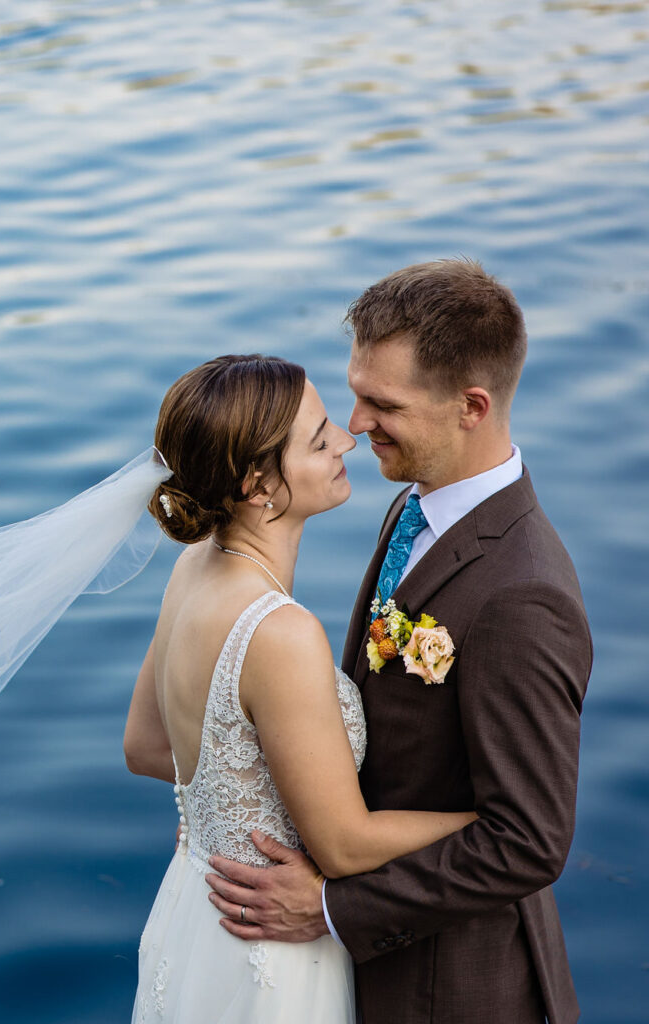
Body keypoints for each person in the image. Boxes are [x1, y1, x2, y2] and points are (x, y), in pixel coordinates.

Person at [203, 260, 592, 1023]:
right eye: (355, 392)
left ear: (470, 407)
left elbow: (528, 843)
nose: (353, 423)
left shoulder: (523, 597)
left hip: (450, 987)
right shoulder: (416, 504)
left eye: (382, 403)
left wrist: (337, 907)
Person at [122, 353, 478, 1023]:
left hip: (197, 910)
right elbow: (343, 844)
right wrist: (490, 822)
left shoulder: (194, 567)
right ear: (260, 482)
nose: (347, 439)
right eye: (320, 440)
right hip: (272, 947)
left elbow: (143, 747)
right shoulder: (280, 632)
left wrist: (228, 818)